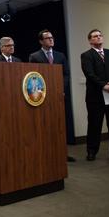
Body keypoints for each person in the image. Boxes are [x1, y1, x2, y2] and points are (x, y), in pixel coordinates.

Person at [29, 29, 76, 162]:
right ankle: (46, 153)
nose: (51, 39)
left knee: (59, 125)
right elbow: (34, 77)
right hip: (42, 97)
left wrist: (61, 88)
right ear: (41, 41)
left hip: (59, 96)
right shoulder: (34, 56)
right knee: (45, 125)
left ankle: (62, 153)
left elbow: (66, 74)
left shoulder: (60, 55)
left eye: (52, 37)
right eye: (47, 38)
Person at [80, 29, 109, 162]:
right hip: (95, 96)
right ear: (90, 40)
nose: (99, 37)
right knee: (94, 124)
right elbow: (89, 74)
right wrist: (103, 85)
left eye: (100, 35)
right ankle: (91, 152)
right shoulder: (86, 55)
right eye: (95, 36)